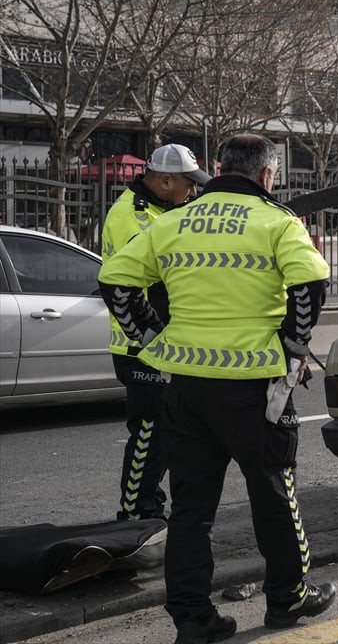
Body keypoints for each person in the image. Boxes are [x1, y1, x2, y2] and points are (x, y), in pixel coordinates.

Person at [98, 134, 334, 644]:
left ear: (221, 167)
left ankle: (192, 618)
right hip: (256, 390)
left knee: (190, 509)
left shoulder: (175, 222)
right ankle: (288, 597)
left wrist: (147, 336)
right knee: (274, 493)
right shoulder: (277, 222)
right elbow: (312, 283)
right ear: (267, 174)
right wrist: (294, 345)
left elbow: (115, 279)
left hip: (185, 388)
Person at [101, 144, 210, 521]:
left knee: (170, 430)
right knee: (149, 433)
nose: (192, 192)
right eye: (188, 184)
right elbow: (149, 277)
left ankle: (152, 506)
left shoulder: (161, 208)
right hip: (140, 344)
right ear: (165, 181)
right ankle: (135, 511)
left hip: (163, 342)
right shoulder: (132, 216)